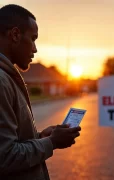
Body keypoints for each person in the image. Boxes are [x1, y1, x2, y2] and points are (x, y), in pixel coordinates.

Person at [0, 4, 81, 180]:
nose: (35, 49)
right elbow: (5, 157)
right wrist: (51, 142)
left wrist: (40, 137)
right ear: (15, 35)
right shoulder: (2, 81)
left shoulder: (8, 77)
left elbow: (11, 141)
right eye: (33, 38)